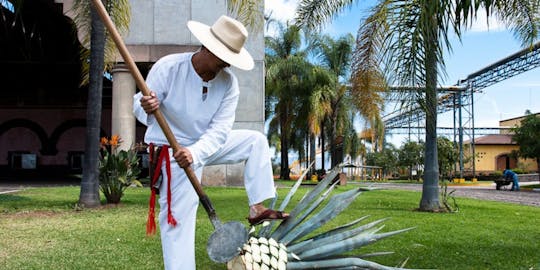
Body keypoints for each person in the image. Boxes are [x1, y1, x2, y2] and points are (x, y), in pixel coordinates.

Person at [133, 15, 288, 269]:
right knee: (178, 220)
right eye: (221, 57)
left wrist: (195, 153)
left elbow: (219, 131)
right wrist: (146, 107)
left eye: (229, 60)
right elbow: (139, 108)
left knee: (255, 141)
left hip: (202, 146)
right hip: (170, 149)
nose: (224, 64)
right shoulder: (169, 67)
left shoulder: (229, 83)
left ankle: (256, 207)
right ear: (206, 47)